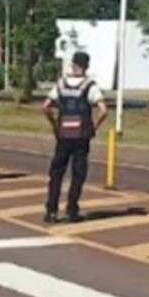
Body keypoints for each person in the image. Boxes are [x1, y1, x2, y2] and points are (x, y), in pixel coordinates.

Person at [42, 51, 108, 223]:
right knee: (78, 174)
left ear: (73, 64)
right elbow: (103, 110)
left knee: (56, 173)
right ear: (86, 66)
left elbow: (46, 106)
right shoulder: (90, 86)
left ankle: (51, 210)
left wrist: (54, 123)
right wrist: (94, 126)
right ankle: (72, 209)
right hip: (81, 136)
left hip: (63, 134)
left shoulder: (61, 84)